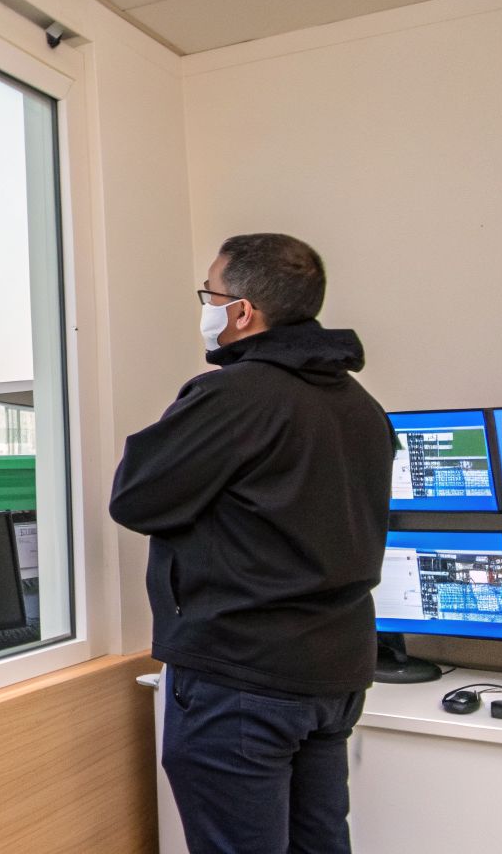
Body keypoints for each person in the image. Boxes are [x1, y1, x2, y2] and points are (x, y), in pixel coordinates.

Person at [109, 233, 393, 854]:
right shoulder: (361, 407)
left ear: (241, 311)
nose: (205, 307)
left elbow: (134, 498)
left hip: (244, 678)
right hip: (335, 675)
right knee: (318, 843)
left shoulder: (235, 396)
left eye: (209, 293)